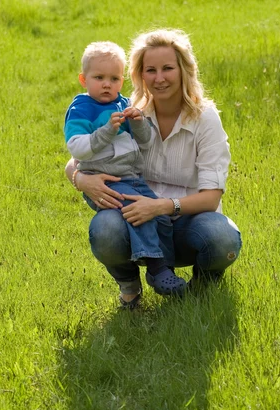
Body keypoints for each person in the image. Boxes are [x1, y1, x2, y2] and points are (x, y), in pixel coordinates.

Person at [65, 29, 242, 309]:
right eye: (151, 70)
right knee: (105, 228)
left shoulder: (205, 118)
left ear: (184, 70)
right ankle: (130, 290)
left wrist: (159, 207)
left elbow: (211, 198)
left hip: (187, 223)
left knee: (222, 238)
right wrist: (79, 178)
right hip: (135, 221)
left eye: (168, 68)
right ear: (140, 75)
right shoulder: (130, 112)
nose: (159, 78)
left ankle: (201, 289)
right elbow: (83, 155)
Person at [65, 41, 188, 302]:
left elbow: (144, 143)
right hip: (106, 179)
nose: (107, 84)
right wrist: (108, 131)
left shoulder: (124, 103)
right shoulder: (81, 108)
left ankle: (164, 268)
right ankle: (154, 265)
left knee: (161, 217)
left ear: (123, 80)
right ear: (83, 79)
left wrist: (139, 121)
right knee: (137, 213)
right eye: (99, 78)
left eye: (114, 78)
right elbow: (77, 148)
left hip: (132, 178)